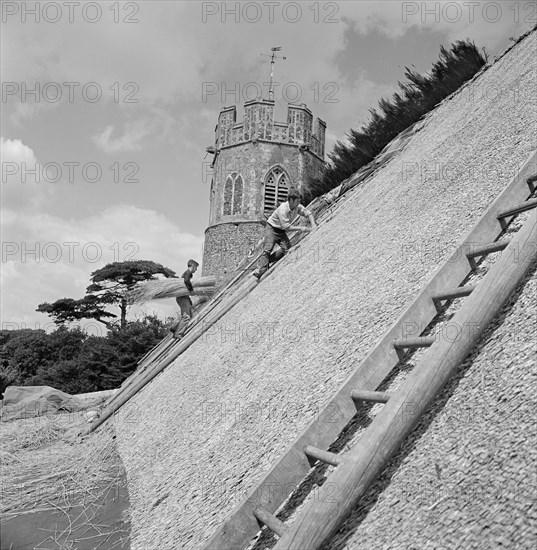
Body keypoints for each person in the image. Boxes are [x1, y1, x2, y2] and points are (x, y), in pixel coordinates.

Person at [253, 187, 317, 279]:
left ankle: (266, 261)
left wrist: (313, 224)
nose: (299, 203)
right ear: (291, 200)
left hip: (281, 230)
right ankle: (261, 271)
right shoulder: (283, 209)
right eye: (297, 201)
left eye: (299, 201)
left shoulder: (297, 207)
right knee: (268, 248)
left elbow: (308, 213)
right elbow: (286, 227)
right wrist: (302, 228)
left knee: (286, 249)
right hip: (271, 228)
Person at [171, 259, 199, 339]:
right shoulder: (188, 273)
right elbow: (186, 281)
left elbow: (184, 286)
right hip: (182, 297)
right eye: (196, 268)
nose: (196, 270)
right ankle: (178, 333)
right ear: (193, 266)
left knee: (189, 314)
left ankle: (174, 327)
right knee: (187, 317)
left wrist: (189, 299)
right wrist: (191, 290)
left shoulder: (186, 273)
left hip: (183, 297)